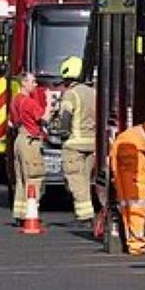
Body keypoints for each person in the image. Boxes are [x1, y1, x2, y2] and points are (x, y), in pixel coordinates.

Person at [109, 121, 145, 256]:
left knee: (126, 199)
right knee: (137, 200)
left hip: (125, 145)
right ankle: (137, 244)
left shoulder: (139, 132)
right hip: (133, 150)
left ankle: (133, 240)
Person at [56, 56, 96, 223]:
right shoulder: (93, 92)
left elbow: (66, 116)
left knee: (75, 179)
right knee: (85, 180)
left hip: (74, 144)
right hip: (92, 144)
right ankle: (86, 212)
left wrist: (62, 132)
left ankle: (85, 215)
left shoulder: (71, 94)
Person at [9, 71, 49, 223]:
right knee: (34, 177)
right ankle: (30, 213)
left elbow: (12, 122)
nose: (35, 84)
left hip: (19, 139)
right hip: (30, 141)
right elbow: (44, 118)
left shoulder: (15, 101)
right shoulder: (29, 102)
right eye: (33, 82)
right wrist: (50, 105)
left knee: (21, 179)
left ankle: (20, 213)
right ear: (24, 83)